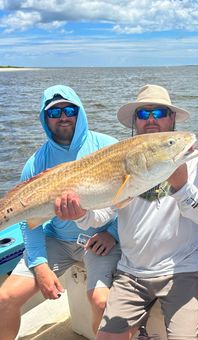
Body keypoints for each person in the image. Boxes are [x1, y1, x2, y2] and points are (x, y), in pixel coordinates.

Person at [61, 84, 198, 339]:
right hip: (132, 273)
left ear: (172, 118)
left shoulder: (194, 160)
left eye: (160, 112)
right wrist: (80, 214)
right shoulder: (123, 160)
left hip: (181, 271)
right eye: (144, 114)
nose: (152, 119)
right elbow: (103, 213)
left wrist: (182, 188)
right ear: (135, 122)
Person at [0, 85, 121, 339]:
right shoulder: (35, 163)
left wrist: (112, 233)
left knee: (102, 302)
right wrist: (40, 265)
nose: (63, 116)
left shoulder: (109, 147)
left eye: (69, 110)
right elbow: (28, 222)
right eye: (54, 113)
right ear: (45, 119)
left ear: (80, 112)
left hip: (99, 241)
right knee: (5, 298)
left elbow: (129, 200)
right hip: (56, 240)